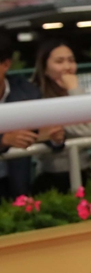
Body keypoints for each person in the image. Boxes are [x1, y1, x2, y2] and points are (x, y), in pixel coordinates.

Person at [0, 32, 64, 200]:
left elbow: (45, 131)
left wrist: (55, 137)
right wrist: (4, 140)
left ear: (6, 65)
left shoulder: (26, 92)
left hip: (15, 186)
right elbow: (8, 139)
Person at [30, 40, 91, 194]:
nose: (67, 67)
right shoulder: (36, 96)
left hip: (83, 171)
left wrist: (74, 90)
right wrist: (74, 88)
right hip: (51, 177)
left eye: (71, 61)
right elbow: (86, 130)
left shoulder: (76, 93)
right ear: (44, 68)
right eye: (59, 61)